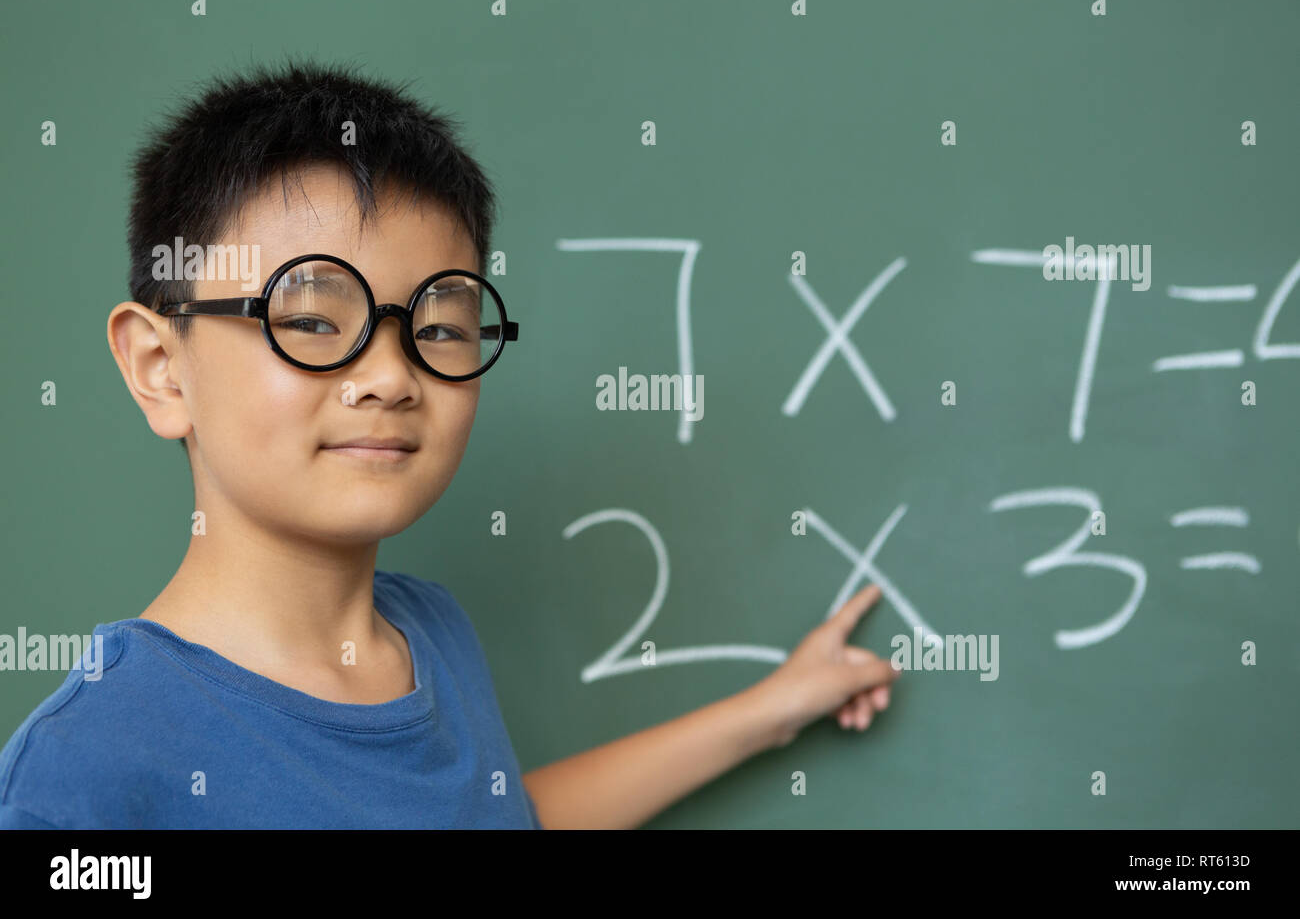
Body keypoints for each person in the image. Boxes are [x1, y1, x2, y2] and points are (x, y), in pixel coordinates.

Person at [0, 58, 900, 829]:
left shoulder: (433, 635)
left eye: (438, 328)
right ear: (161, 366)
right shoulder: (88, 772)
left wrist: (775, 710)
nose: (391, 376)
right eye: (312, 318)